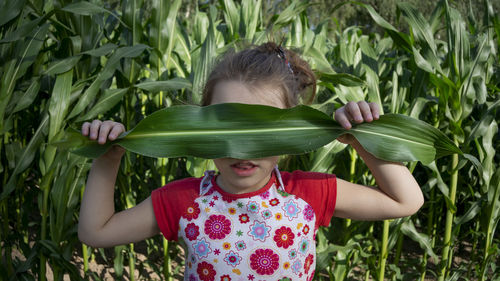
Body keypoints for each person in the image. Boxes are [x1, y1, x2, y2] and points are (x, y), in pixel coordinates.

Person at [78, 42, 423, 280]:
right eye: (226, 127)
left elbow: (405, 201)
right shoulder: (183, 201)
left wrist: (362, 138)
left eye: (261, 130)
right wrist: (109, 157)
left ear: (291, 131)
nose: (242, 148)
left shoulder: (307, 194)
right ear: (198, 128)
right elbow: (96, 232)